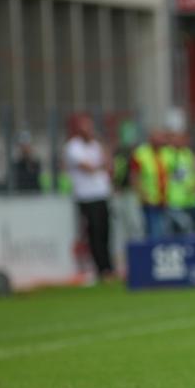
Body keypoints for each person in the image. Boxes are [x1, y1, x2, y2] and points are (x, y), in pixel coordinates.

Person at [64, 115, 114, 280]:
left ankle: (108, 267)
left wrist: (102, 144)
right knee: (94, 233)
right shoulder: (73, 147)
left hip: (102, 193)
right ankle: (100, 269)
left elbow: (108, 164)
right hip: (86, 196)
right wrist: (100, 166)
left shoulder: (96, 145)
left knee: (106, 232)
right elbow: (88, 168)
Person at [130, 130, 170, 240]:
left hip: (164, 200)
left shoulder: (165, 153)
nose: (161, 141)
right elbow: (134, 176)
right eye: (158, 138)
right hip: (149, 200)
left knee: (164, 232)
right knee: (154, 231)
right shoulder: (141, 154)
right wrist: (141, 193)